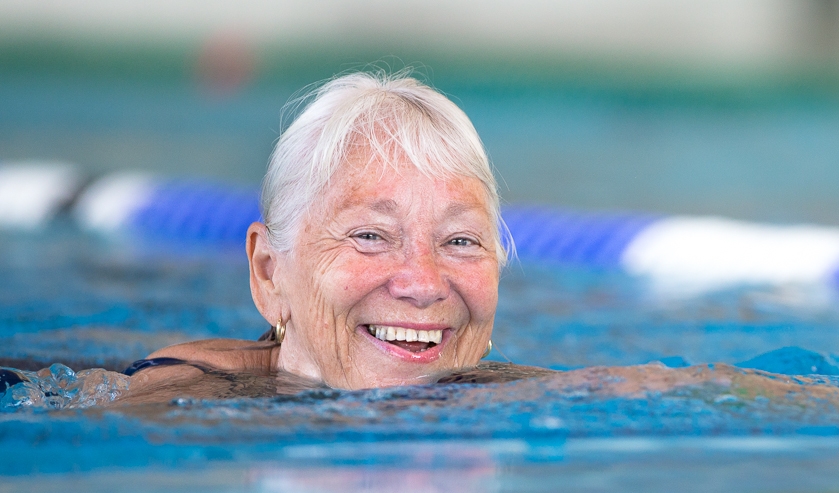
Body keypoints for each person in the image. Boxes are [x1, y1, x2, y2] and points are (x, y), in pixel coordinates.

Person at [123, 71, 553, 400]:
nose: (424, 284)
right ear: (268, 274)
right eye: (370, 235)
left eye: (460, 241)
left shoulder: (530, 401)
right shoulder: (176, 398)